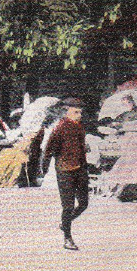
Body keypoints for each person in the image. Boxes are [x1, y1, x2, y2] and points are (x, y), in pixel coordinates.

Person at [41, 97, 89, 251]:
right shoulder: (60, 127)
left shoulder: (80, 127)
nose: (79, 115)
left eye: (80, 112)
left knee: (83, 204)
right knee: (67, 206)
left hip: (80, 169)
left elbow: (80, 147)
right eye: (76, 112)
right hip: (64, 170)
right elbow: (49, 149)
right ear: (67, 112)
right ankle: (67, 238)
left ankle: (65, 223)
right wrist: (45, 166)